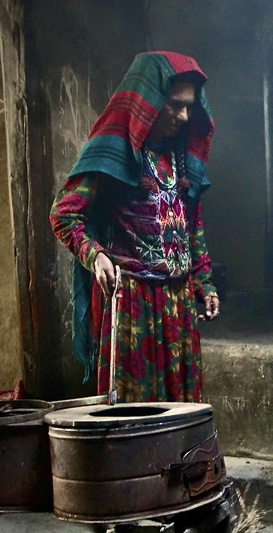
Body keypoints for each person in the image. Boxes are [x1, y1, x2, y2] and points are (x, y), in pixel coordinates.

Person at [50, 51, 220, 403]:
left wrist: (204, 283)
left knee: (183, 409)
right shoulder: (113, 152)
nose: (183, 116)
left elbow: (193, 228)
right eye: (174, 104)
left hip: (179, 304)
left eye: (189, 106)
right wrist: (95, 256)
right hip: (134, 306)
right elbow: (64, 214)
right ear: (149, 101)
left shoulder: (182, 159)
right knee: (136, 414)